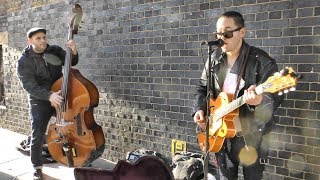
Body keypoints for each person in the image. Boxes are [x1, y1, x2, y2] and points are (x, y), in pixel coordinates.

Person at [193, 11, 284, 180]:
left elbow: (277, 94)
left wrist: (260, 100)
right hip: (222, 136)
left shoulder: (261, 61)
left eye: (227, 33)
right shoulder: (213, 59)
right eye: (219, 33)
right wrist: (199, 108)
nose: (222, 38)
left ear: (242, 32)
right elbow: (202, 88)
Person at [16, 27, 78, 180]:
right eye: (38, 38)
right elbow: (29, 85)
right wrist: (49, 95)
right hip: (39, 99)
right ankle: (37, 168)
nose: (43, 41)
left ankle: (77, 156)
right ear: (30, 41)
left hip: (60, 95)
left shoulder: (54, 50)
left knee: (71, 126)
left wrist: (73, 51)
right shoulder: (24, 60)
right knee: (37, 134)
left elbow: (71, 62)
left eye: (44, 37)